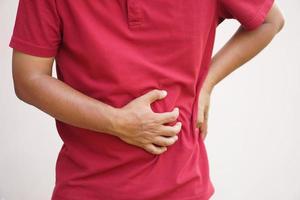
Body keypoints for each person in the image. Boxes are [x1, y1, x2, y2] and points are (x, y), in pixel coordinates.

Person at [9, 0, 284, 199]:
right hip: (89, 189)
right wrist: (117, 122)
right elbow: (28, 79)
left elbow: (271, 20)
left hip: (183, 188)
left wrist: (206, 82)